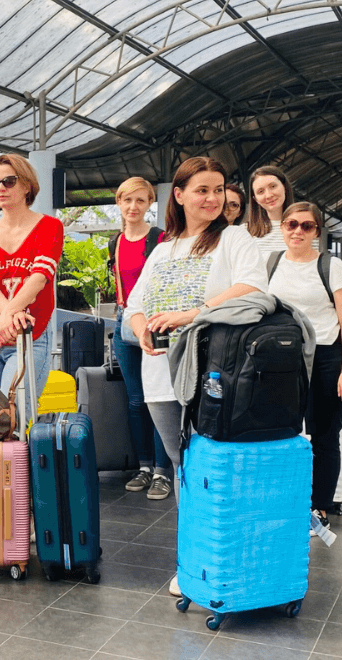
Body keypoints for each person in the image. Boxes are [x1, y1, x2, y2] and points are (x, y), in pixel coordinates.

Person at [125, 157, 266, 597]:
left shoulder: (234, 238)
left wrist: (191, 314)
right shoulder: (163, 249)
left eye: (218, 189)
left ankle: (220, 559)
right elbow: (134, 305)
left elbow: (252, 287)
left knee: (212, 462)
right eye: (202, 189)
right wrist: (141, 329)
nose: (212, 198)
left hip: (212, 370)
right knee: (182, 465)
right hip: (159, 372)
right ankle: (192, 561)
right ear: (179, 195)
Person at [266, 202, 342, 531]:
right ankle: (287, 501)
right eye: (291, 224)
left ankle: (320, 508)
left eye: (306, 226)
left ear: (317, 231)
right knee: (280, 432)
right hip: (284, 357)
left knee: (324, 435)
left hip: (326, 356)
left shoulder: (331, 266)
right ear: (283, 228)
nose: (298, 231)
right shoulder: (272, 263)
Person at [0, 155, 63, 404]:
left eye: (9, 181)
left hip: (29, 335)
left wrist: (6, 317)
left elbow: (39, 278)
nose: (0, 188)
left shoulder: (49, 226)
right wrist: (8, 315)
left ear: (27, 186)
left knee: (16, 412)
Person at [105, 177, 172, 501]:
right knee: (135, 400)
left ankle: (162, 471)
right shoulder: (115, 242)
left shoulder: (160, 239)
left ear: (149, 204)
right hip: (125, 323)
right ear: (119, 202)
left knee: (158, 398)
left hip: (155, 322)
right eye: (127, 200)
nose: (133, 206)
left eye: (140, 200)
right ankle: (144, 466)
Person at [247, 166, 299, 255]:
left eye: (273, 186)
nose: (268, 195)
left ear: (284, 187)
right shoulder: (245, 233)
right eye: (260, 191)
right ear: (255, 199)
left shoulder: (307, 226)